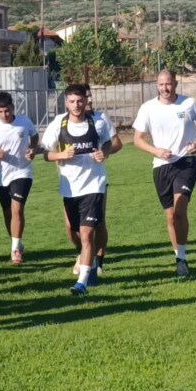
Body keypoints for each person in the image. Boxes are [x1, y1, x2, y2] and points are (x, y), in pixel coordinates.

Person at [132, 69, 196, 277]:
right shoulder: (148, 108)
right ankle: (178, 256)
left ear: (175, 84)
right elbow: (137, 139)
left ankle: (182, 259)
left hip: (186, 162)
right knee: (170, 216)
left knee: (179, 210)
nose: (164, 88)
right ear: (157, 85)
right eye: (161, 84)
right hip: (161, 166)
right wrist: (156, 151)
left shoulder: (189, 103)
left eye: (168, 84)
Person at [42, 85, 112, 296]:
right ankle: (88, 260)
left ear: (86, 101)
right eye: (72, 101)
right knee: (74, 231)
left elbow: (109, 142)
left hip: (94, 184)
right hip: (70, 187)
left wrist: (103, 153)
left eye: (80, 101)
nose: (76, 105)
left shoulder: (97, 121)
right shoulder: (58, 123)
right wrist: (61, 155)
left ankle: (82, 283)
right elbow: (45, 153)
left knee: (87, 233)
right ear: (66, 103)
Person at [67, 85, 124, 276]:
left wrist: (104, 152)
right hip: (71, 182)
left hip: (96, 180)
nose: (89, 101)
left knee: (98, 223)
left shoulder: (101, 119)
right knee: (71, 226)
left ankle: (98, 263)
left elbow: (116, 143)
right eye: (86, 97)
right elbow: (52, 147)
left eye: (90, 97)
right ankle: (84, 253)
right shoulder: (64, 121)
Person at [0, 92, 39, 264]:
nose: (4, 114)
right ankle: (17, 242)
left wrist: (32, 149)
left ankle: (15, 250)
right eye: (0, 111)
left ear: (13, 108)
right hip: (1, 176)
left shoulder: (24, 122)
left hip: (22, 172)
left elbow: (34, 136)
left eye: (7, 111)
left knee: (17, 208)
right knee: (8, 213)